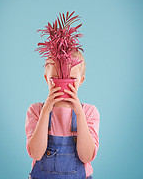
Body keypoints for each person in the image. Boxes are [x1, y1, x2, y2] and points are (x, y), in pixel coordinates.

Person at [25, 50, 100, 179]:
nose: (63, 85)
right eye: (55, 79)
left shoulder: (88, 112)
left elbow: (87, 156)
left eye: (71, 79)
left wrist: (79, 114)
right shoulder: (36, 110)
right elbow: (36, 154)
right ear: (46, 79)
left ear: (81, 80)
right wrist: (45, 113)